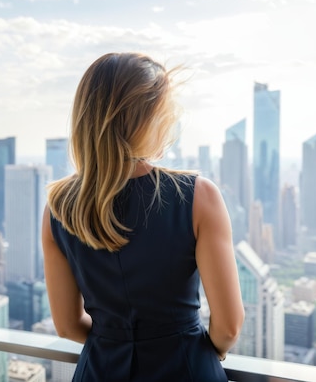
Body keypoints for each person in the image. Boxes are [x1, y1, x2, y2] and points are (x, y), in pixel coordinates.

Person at [41, 52, 244, 381]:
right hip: (186, 369)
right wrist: (210, 352)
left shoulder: (58, 206)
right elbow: (229, 326)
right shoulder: (198, 196)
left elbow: (66, 325)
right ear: (148, 120)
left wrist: (114, 339)